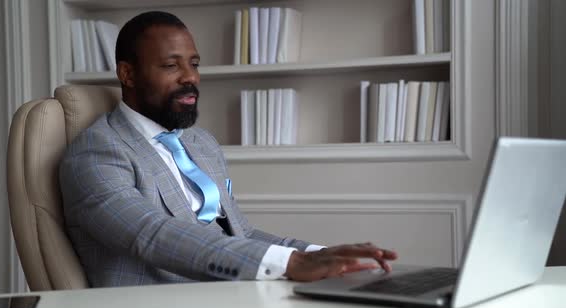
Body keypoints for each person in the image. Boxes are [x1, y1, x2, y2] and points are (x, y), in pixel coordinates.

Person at [59, 11, 397, 288]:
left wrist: (323, 254)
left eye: (194, 64)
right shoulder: (96, 154)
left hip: (232, 292)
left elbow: (241, 233)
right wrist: (294, 263)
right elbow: (152, 234)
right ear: (127, 74)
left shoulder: (200, 142)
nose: (190, 77)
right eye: (171, 66)